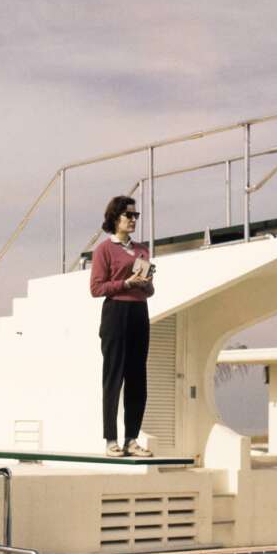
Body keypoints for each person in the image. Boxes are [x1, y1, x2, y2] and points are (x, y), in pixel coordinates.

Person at [89, 195, 155, 457]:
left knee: (138, 378)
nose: (133, 219)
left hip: (139, 311)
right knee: (113, 377)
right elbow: (96, 288)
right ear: (115, 218)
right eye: (129, 215)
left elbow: (149, 290)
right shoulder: (104, 250)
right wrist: (126, 284)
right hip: (115, 312)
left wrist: (145, 283)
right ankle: (110, 440)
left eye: (135, 215)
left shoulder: (142, 250)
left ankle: (132, 439)